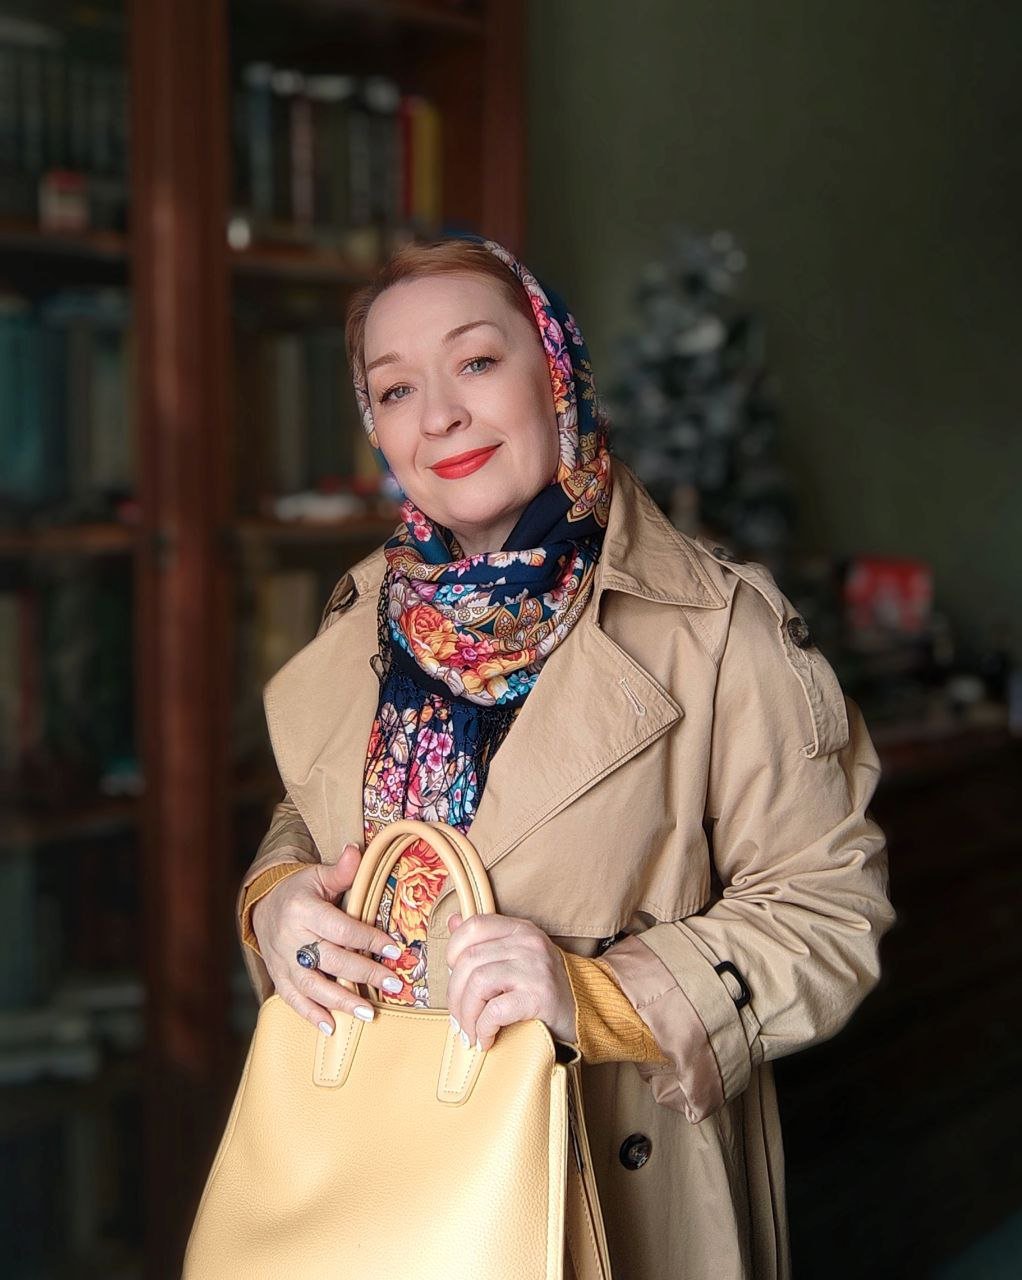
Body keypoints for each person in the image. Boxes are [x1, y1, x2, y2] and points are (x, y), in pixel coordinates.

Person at [237, 235, 895, 1280]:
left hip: (609, 1188)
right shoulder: (367, 614)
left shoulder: (718, 628)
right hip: (372, 1177)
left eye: (475, 361)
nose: (438, 414)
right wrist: (276, 900)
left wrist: (593, 994)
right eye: (395, 388)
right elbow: (311, 814)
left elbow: (828, 910)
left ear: (555, 373)